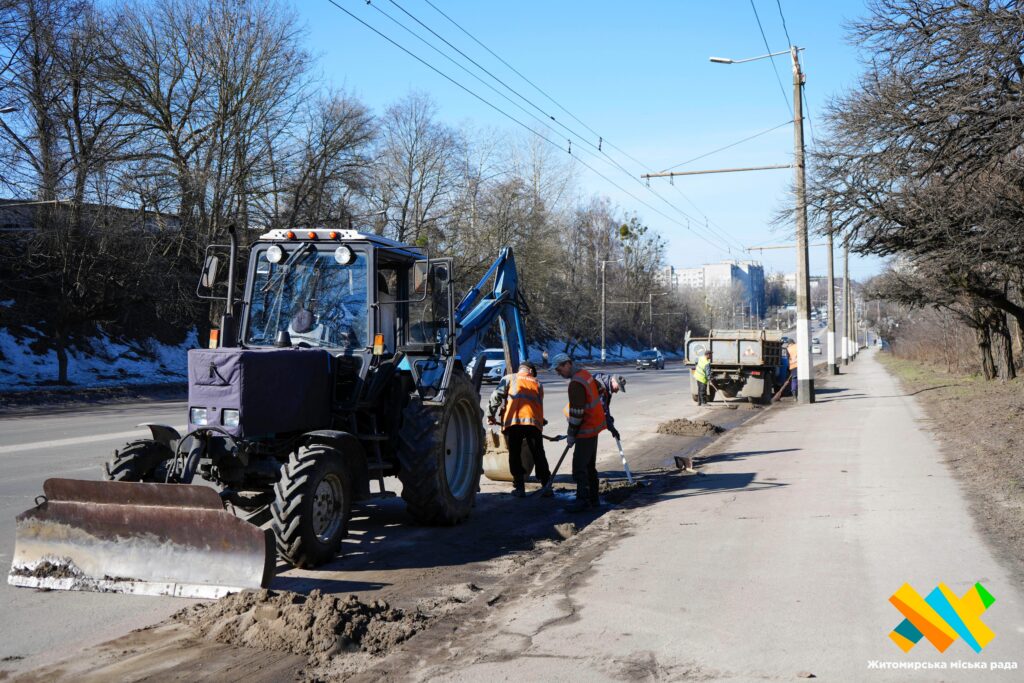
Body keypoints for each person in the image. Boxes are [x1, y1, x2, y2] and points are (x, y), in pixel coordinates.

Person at [487, 360, 552, 498]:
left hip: (514, 423)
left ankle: (520, 487)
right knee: (538, 453)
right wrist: (542, 420)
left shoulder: (510, 378)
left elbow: (496, 396)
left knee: (515, 454)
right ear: (530, 371)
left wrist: (490, 415)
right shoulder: (538, 383)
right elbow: (537, 405)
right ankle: (546, 485)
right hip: (533, 424)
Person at [551, 352, 606, 512]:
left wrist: (571, 434)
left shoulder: (575, 384)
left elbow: (576, 414)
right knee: (590, 467)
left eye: (559, 369)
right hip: (594, 428)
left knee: (579, 468)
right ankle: (594, 499)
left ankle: (583, 500)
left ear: (567, 364)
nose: (559, 373)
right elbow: (600, 389)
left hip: (585, 431)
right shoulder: (586, 374)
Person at [590, 371, 627, 440]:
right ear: (613, 380)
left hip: (587, 420)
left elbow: (605, 409)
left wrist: (609, 419)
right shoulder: (602, 388)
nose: (616, 392)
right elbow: (603, 412)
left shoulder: (606, 387)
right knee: (585, 449)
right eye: (618, 387)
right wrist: (613, 429)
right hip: (583, 421)